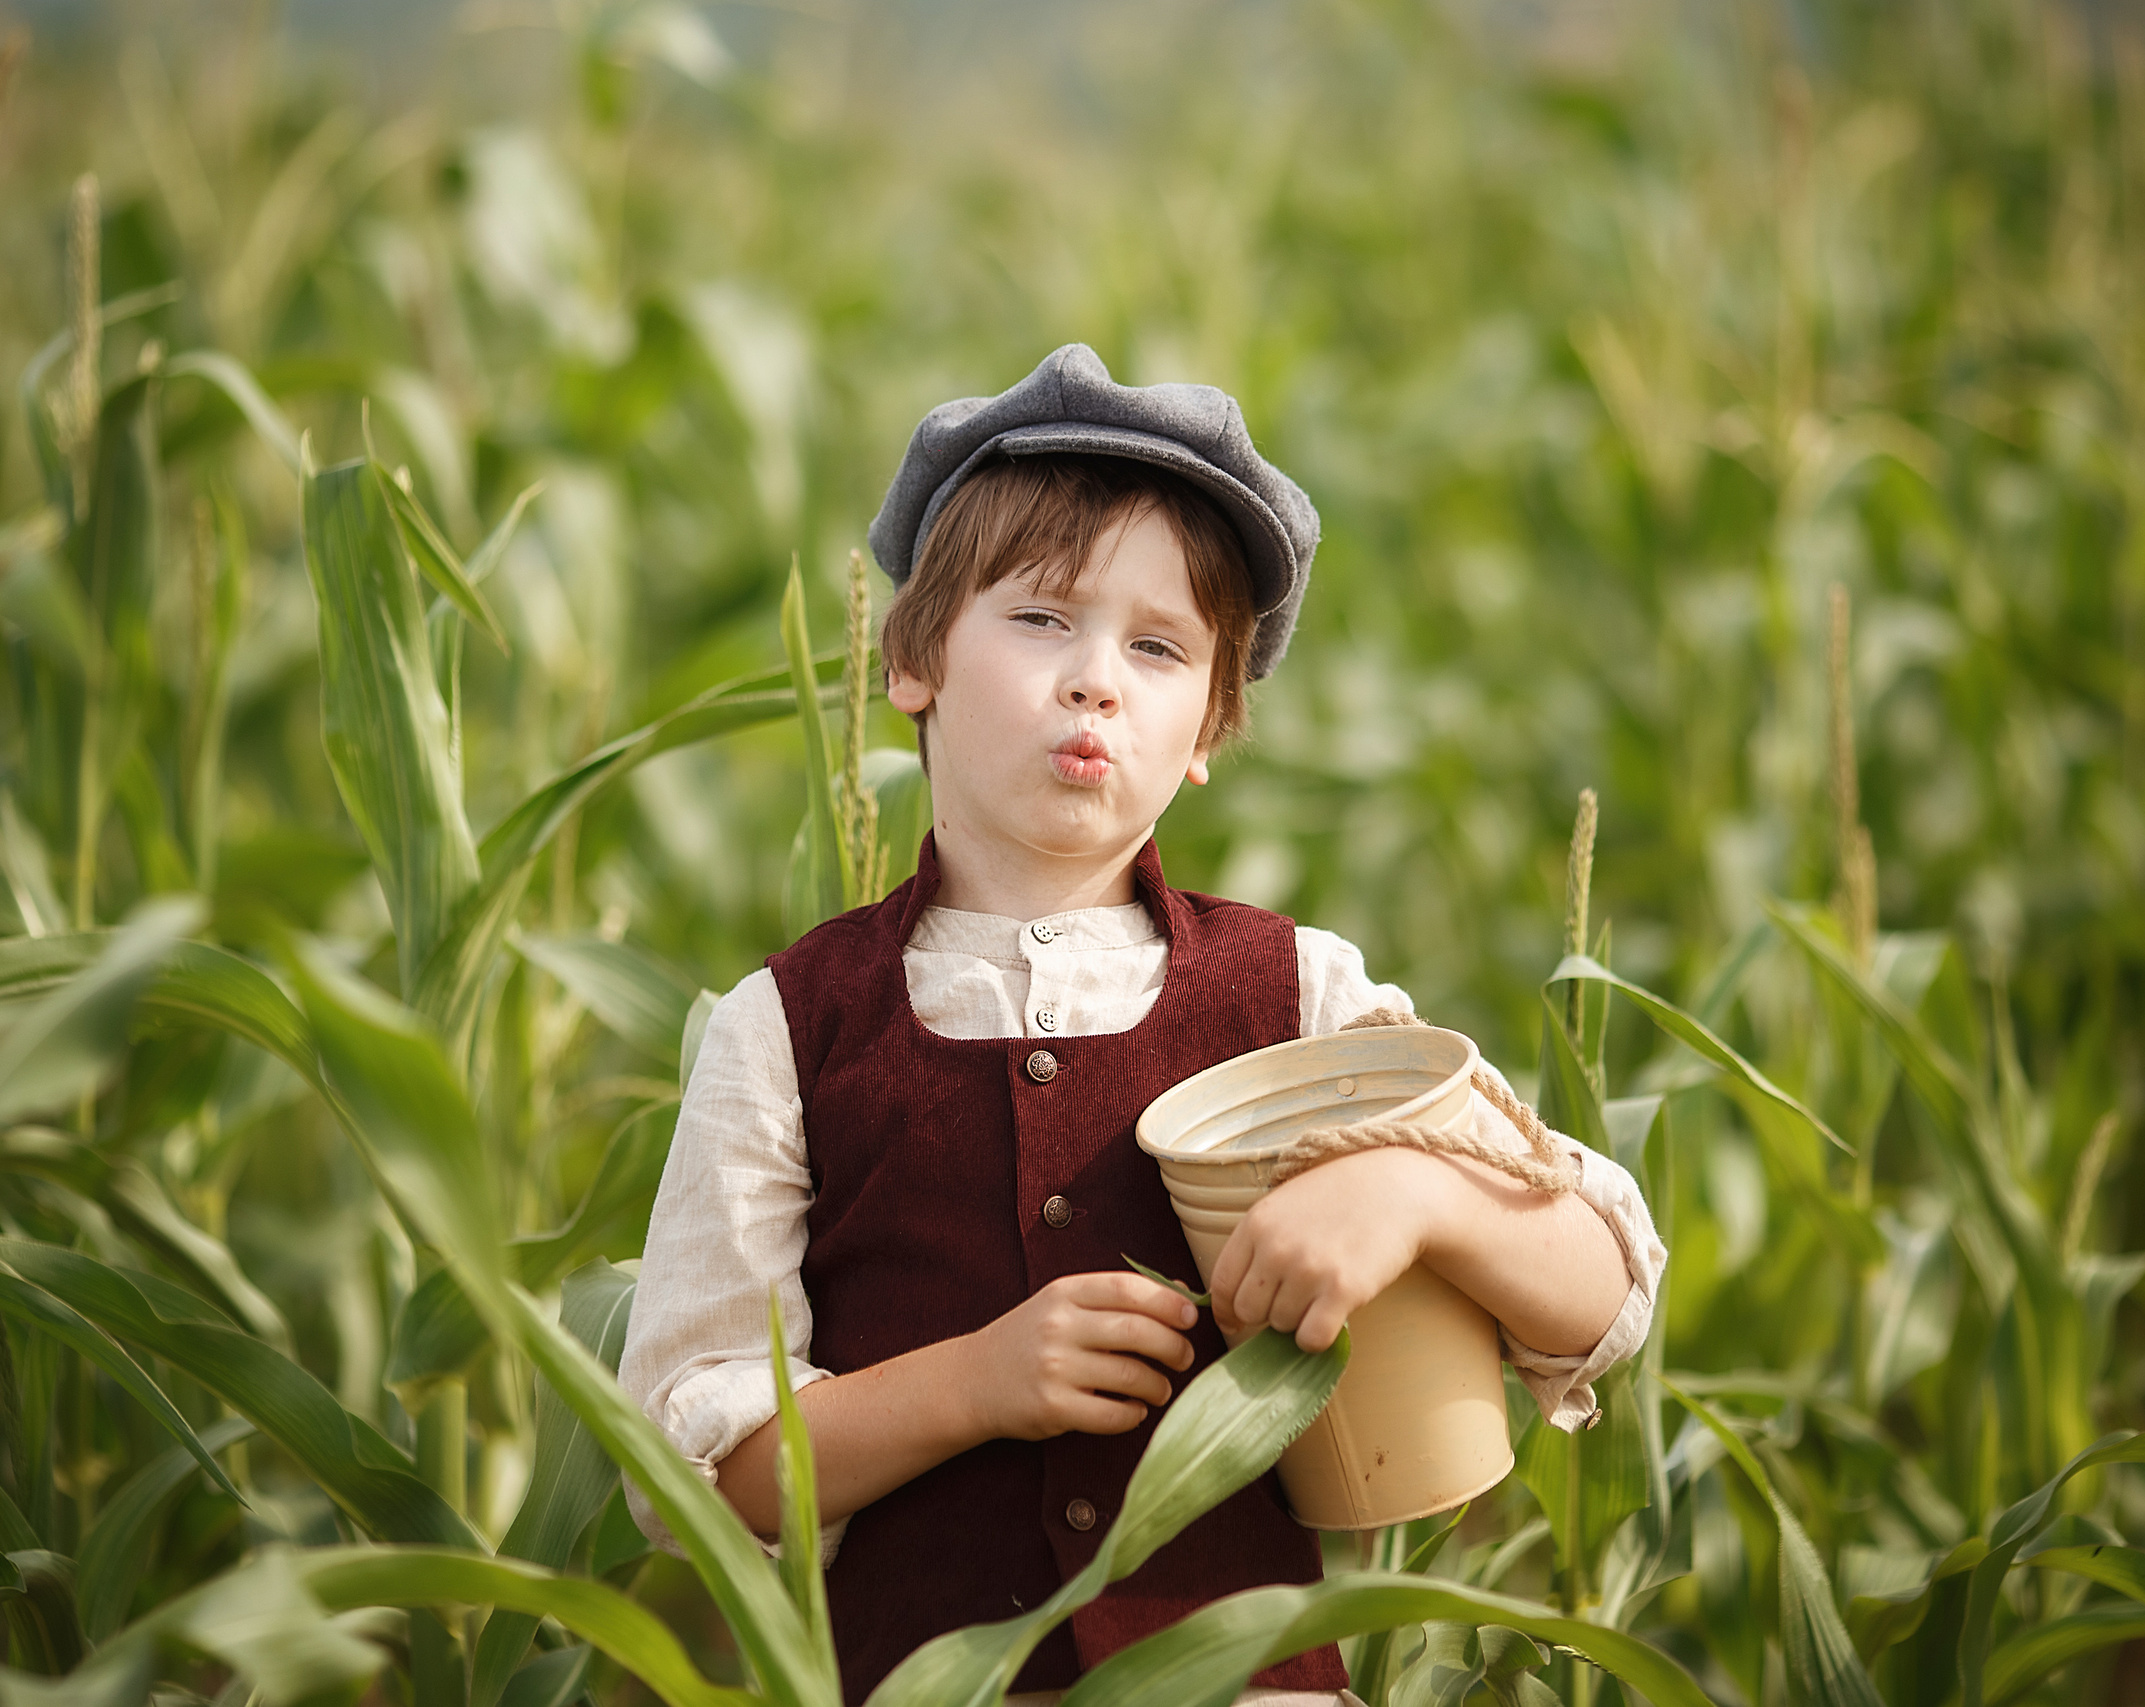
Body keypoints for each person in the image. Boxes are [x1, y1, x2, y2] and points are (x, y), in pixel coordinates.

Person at [620, 345, 1667, 1706]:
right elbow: (698, 1481)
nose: (1096, 680)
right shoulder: (788, 1029)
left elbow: (1604, 1288)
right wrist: (978, 1383)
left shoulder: (1299, 997)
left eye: (1158, 648)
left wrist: (1417, 1194)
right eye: (1041, 618)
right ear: (912, 660)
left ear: (1210, 726)